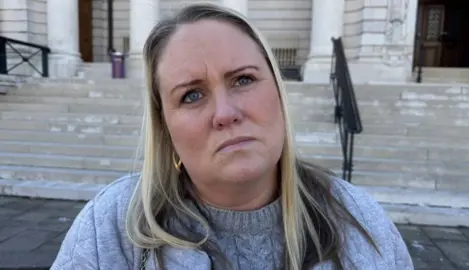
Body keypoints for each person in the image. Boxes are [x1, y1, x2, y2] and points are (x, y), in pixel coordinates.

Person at [51, 3, 413, 270]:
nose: (225, 113)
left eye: (243, 79)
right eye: (191, 95)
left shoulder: (361, 221)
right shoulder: (111, 227)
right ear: (165, 127)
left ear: (278, 91)